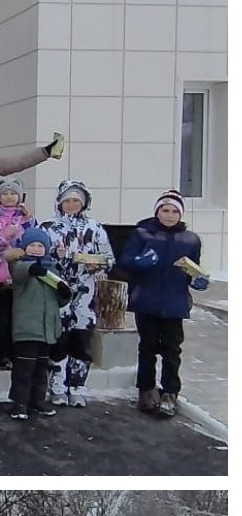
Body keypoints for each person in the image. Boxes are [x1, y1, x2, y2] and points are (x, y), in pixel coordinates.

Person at [120, 189, 207, 418]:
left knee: (172, 350)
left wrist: (198, 280)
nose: (169, 215)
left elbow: (195, 270)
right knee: (147, 347)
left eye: (174, 211)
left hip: (175, 303)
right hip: (147, 300)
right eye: (165, 210)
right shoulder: (143, 234)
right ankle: (146, 390)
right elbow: (125, 261)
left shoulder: (190, 240)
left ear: (181, 214)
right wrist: (141, 261)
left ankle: (170, 393)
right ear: (157, 212)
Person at [39, 179, 114, 407]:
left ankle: (77, 386)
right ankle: (57, 386)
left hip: (85, 295)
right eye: (67, 200)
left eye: (76, 200)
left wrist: (98, 265)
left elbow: (109, 258)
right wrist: (55, 256)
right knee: (59, 340)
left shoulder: (95, 228)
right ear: (60, 203)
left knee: (81, 341)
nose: (71, 204)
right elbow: (39, 258)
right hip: (58, 292)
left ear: (84, 203)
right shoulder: (49, 228)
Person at [7, 227, 72, 420]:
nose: (36, 249)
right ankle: (20, 402)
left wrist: (64, 294)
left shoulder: (52, 269)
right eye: (32, 245)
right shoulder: (20, 266)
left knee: (41, 368)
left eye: (40, 246)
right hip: (27, 328)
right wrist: (32, 268)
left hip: (47, 330)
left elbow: (59, 300)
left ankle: (37, 400)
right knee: (24, 368)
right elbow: (20, 273)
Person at [0, 177, 37, 369]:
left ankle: (18, 353)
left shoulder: (27, 219)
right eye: (5, 193)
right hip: (0, 275)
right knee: (0, 317)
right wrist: (4, 236)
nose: (9, 197)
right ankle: (0, 353)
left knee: (19, 316)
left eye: (13, 193)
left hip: (22, 274)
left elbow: (35, 242)